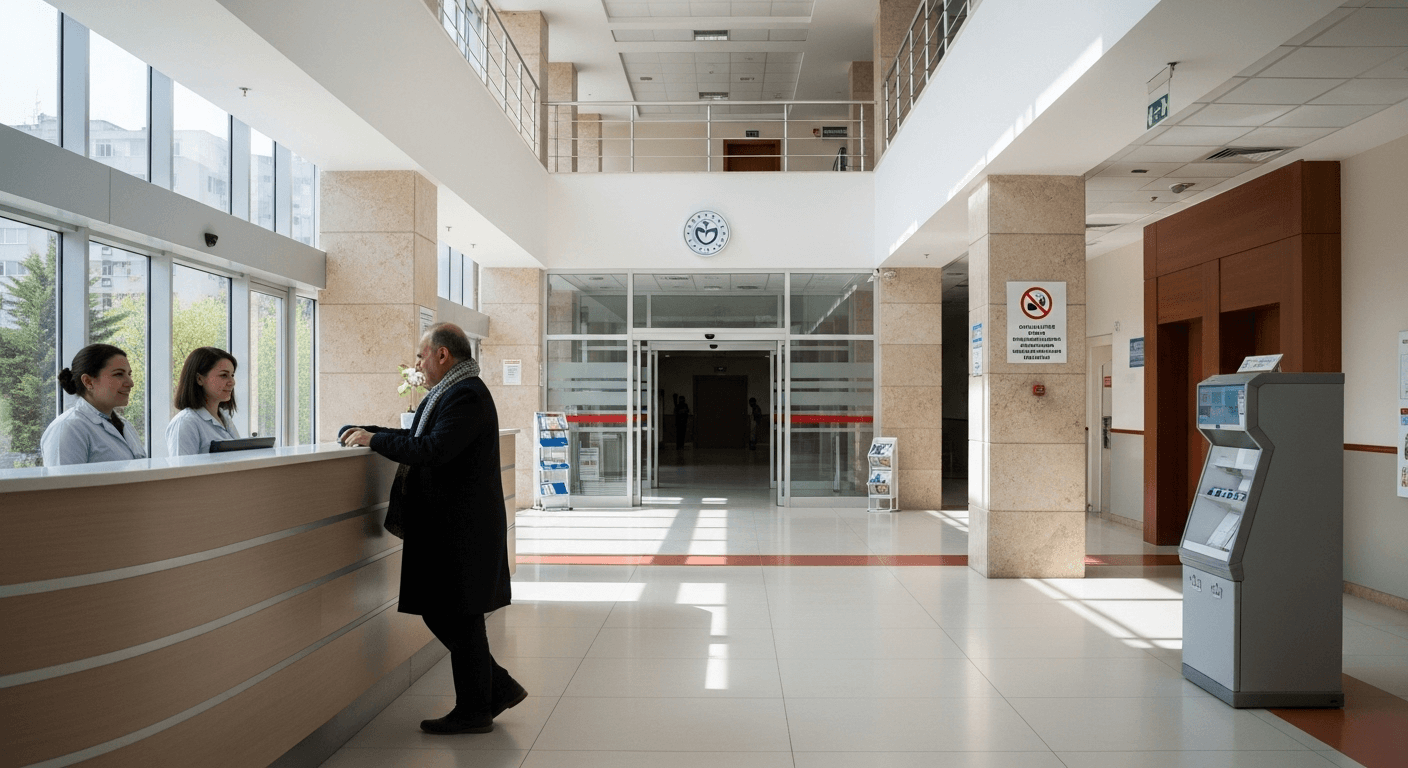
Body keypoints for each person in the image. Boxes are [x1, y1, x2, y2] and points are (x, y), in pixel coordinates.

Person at [338, 323, 523, 735]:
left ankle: (481, 704)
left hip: (460, 532)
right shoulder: (452, 392)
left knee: (455, 616)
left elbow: (434, 450)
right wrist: (371, 433)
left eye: (422, 356)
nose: (418, 364)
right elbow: (418, 436)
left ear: (442, 355)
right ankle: (491, 694)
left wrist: (372, 440)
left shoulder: (466, 395)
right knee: (455, 616)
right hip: (453, 529)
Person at [41, 343, 147, 465]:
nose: (130, 382)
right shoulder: (68, 428)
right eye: (119, 374)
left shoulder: (125, 426)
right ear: (88, 382)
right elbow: (62, 483)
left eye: (129, 374)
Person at [166, 347, 240, 455]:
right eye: (224, 375)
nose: (232, 382)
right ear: (199, 379)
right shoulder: (185, 423)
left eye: (232, 375)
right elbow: (183, 470)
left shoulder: (225, 419)